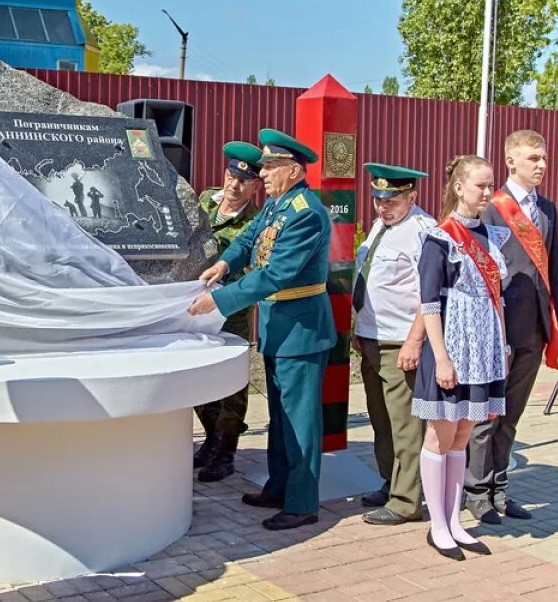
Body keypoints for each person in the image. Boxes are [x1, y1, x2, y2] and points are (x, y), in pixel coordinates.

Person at [189, 128, 336, 531]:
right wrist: (224, 264)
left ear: (293, 170)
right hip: (278, 327)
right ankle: (280, 486)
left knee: (300, 420)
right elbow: (248, 239)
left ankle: (303, 502)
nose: (263, 173)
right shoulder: (278, 204)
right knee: (281, 416)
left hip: (301, 330)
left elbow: (275, 275)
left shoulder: (305, 212)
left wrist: (219, 300)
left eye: (270, 167)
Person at [412, 155, 508, 561]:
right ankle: (437, 525)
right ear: (458, 187)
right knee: (441, 433)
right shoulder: (440, 238)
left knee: (464, 433)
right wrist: (442, 358)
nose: (486, 193)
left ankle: (455, 520)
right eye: (479, 186)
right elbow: (429, 304)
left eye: (490, 186)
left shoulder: (492, 235)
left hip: (481, 348)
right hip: (450, 346)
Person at [466, 130, 558, 524]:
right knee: (485, 416)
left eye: (543, 158)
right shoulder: (491, 208)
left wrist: (555, 323)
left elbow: (553, 272)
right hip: (499, 330)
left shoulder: (549, 210)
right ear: (510, 161)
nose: (540, 165)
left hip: (534, 329)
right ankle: (475, 492)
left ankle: (500, 489)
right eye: (532, 158)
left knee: (511, 416)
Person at [353, 163, 434, 525]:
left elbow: (429, 295)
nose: (382, 206)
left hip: (400, 341)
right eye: (377, 198)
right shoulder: (380, 227)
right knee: (381, 421)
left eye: (392, 199)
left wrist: (415, 341)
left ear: (411, 197)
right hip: (372, 337)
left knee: (405, 425)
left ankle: (407, 500)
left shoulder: (423, 231)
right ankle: (391, 483)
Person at [191, 141, 263, 483]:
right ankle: (210, 438)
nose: (233, 186)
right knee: (198, 375)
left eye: (243, 181)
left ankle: (226, 451)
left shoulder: (255, 223)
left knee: (231, 384)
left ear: (255, 185)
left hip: (231, 310)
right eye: (230, 176)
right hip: (195, 307)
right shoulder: (205, 200)